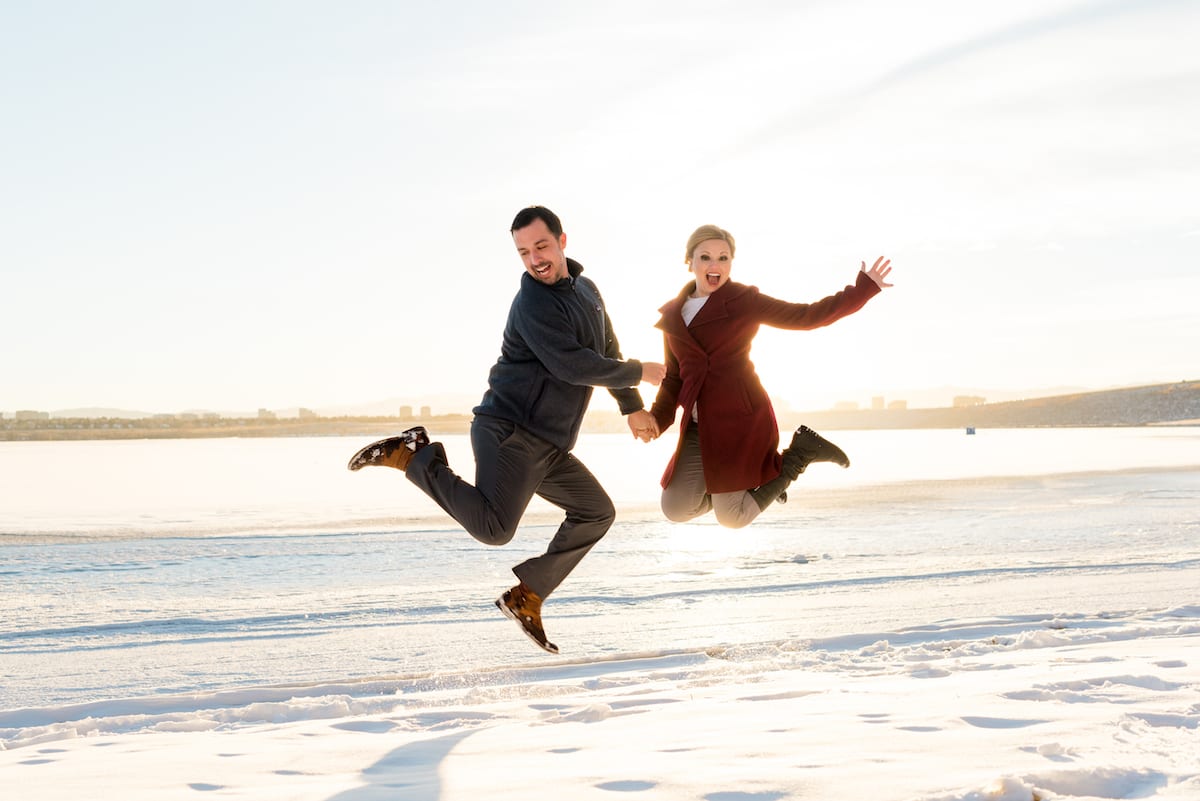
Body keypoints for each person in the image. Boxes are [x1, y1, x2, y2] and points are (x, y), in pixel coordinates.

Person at [347, 206, 665, 654]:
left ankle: (527, 595)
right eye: (523, 252)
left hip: (550, 442)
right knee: (495, 529)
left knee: (596, 512)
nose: (535, 259)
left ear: (562, 242)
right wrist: (640, 372)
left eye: (541, 246)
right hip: (510, 429)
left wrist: (631, 407)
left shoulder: (588, 290)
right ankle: (411, 455)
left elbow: (606, 346)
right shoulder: (533, 303)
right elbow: (572, 366)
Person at [638, 224, 893, 529]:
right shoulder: (673, 316)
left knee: (732, 517)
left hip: (738, 421)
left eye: (723, 258)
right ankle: (760, 484)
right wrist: (656, 420)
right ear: (689, 262)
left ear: (731, 263)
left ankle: (799, 455)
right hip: (697, 428)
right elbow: (674, 379)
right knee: (676, 508)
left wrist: (863, 289)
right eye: (705, 257)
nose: (715, 265)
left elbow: (807, 316)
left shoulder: (743, 301)